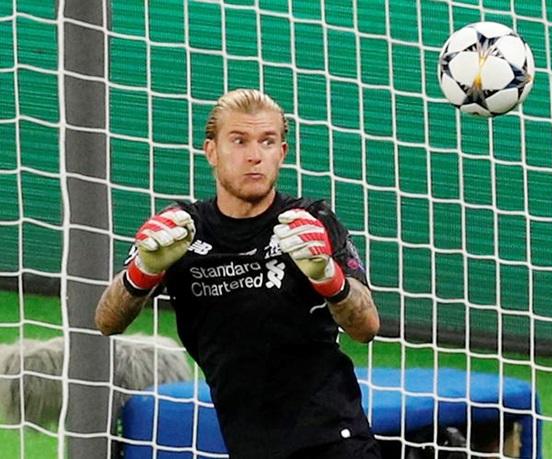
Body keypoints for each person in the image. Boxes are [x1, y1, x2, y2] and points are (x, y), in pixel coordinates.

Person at [95, 88, 382, 459]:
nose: (254, 156)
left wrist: (327, 275)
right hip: (249, 444)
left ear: (282, 153)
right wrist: (145, 270)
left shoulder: (310, 223)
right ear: (211, 151)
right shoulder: (183, 230)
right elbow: (106, 321)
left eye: (267, 142)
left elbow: (367, 326)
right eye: (239, 140)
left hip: (334, 440)